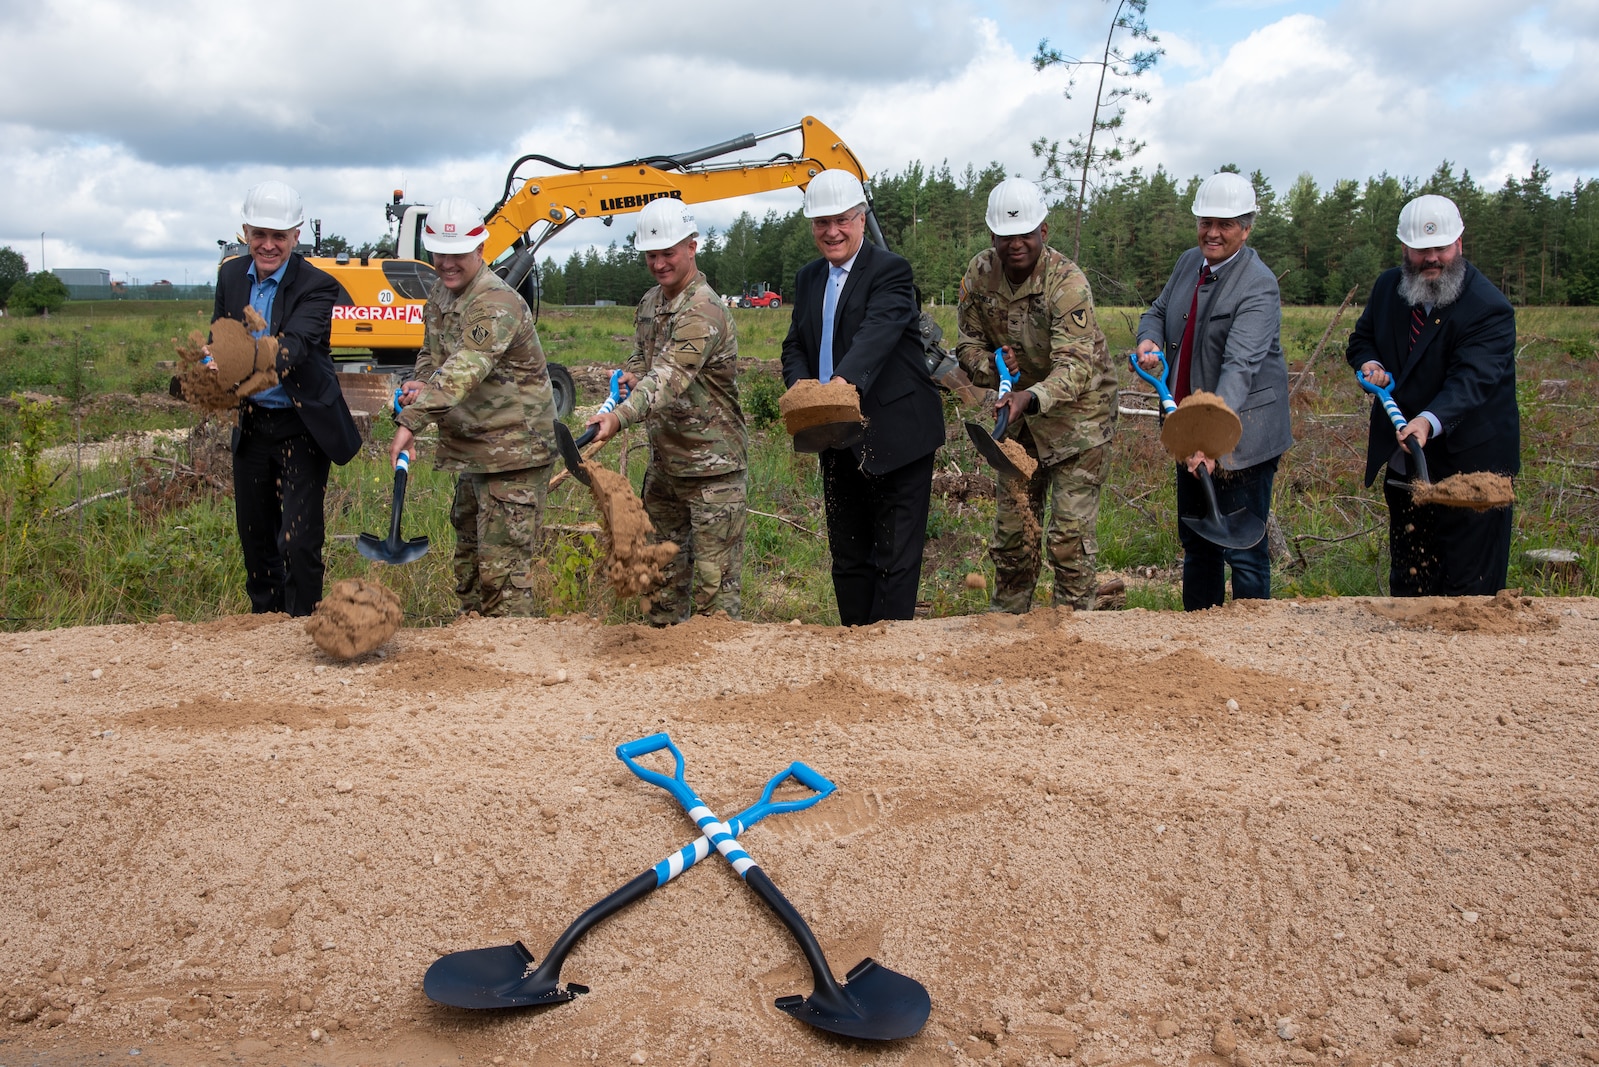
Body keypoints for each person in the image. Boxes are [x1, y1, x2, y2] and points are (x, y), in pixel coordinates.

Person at [779, 170, 944, 625]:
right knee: (848, 556)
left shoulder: (891, 271)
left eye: (842, 220)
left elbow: (877, 335)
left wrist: (837, 387)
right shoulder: (809, 277)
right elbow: (796, 343)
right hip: (836, 435)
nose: (832, 231)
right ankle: (853, 649)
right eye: (821, 223)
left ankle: (889, 657)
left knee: (894, 558)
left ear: (861, 217)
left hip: (898, 435)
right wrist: (802, 390)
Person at [956, 178, 1117, 612]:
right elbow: (966, 345)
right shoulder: (978, 275)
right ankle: (1007, 624)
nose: (1016, 245)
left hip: (1079, 420)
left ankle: (1073, 628)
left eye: (1026, 235)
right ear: (993, 236)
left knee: (1068, 540)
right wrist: (993, 366)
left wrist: (1031, 396)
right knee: (1012, 536)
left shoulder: (1066, 284)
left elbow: (1078, 367)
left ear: (1043, 232)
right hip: (1018, 421)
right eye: (1006, 237)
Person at [1346, 194, 1519, 596]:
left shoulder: (1488, 307)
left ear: (1459, 244)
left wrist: (1427, 421)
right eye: (1422, 250)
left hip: (1472, 470)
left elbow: (1472, 381)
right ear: (1405, 248)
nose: (1432, 258)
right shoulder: (1390, 286)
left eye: (1441, 248)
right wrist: (1370, 363)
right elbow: (1362, 338)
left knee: (1468, 590)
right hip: (1406, 461)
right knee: (1410, 581)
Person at [392, 197, 557, 617]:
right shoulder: (441, 294)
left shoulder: (495, 301)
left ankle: (510, 659)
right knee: (468, 557)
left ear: (480, 250)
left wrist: (411, 421)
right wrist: (420, 381)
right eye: (439, 254)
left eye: (457, 255)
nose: (447, 263)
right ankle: (473, 650)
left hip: (515, 452)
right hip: (475, 450)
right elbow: (433, 357)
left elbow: (465, 368)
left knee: (502, 573)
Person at [586, 198, 747, 624]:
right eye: (651, 255)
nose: (659, 264)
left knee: (716, 599)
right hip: (666, 469)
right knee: (660, 588)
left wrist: (619, 417)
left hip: (714, 471)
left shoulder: (704, 309)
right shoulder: (650, 303)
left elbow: (671, 375)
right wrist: (627, 376)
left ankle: (721, 684)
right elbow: (645, 362)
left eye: (668, 253)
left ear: (692, 247)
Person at [1136, 171, 1292, 611]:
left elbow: (1239, 367)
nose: (1213, 232)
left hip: (1244, 435)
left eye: (1225, 224)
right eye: (1206, 221)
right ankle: (1199, 642)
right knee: (1199, 542)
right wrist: (1148, 340)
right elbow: (1159, 310)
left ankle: (1248, 644)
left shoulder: (1258, 284)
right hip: (1191, 427)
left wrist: (1212, 441)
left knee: (1243, 550)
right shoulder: (1190, 262)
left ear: (1247, 227)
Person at [215, 180, 361, 616]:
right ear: (245, 232)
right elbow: (220, 333)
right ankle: (266, 626)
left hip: (302, 426)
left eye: (279, 236)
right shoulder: (229, 276)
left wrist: (236, 356)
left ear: (296, 236)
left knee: (298, 540)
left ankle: (302, 623)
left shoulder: (318, 286)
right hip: (254, 423)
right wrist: (210, 361)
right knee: (256, 537)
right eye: (259, 234)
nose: (268, 245)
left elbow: (293, 347)